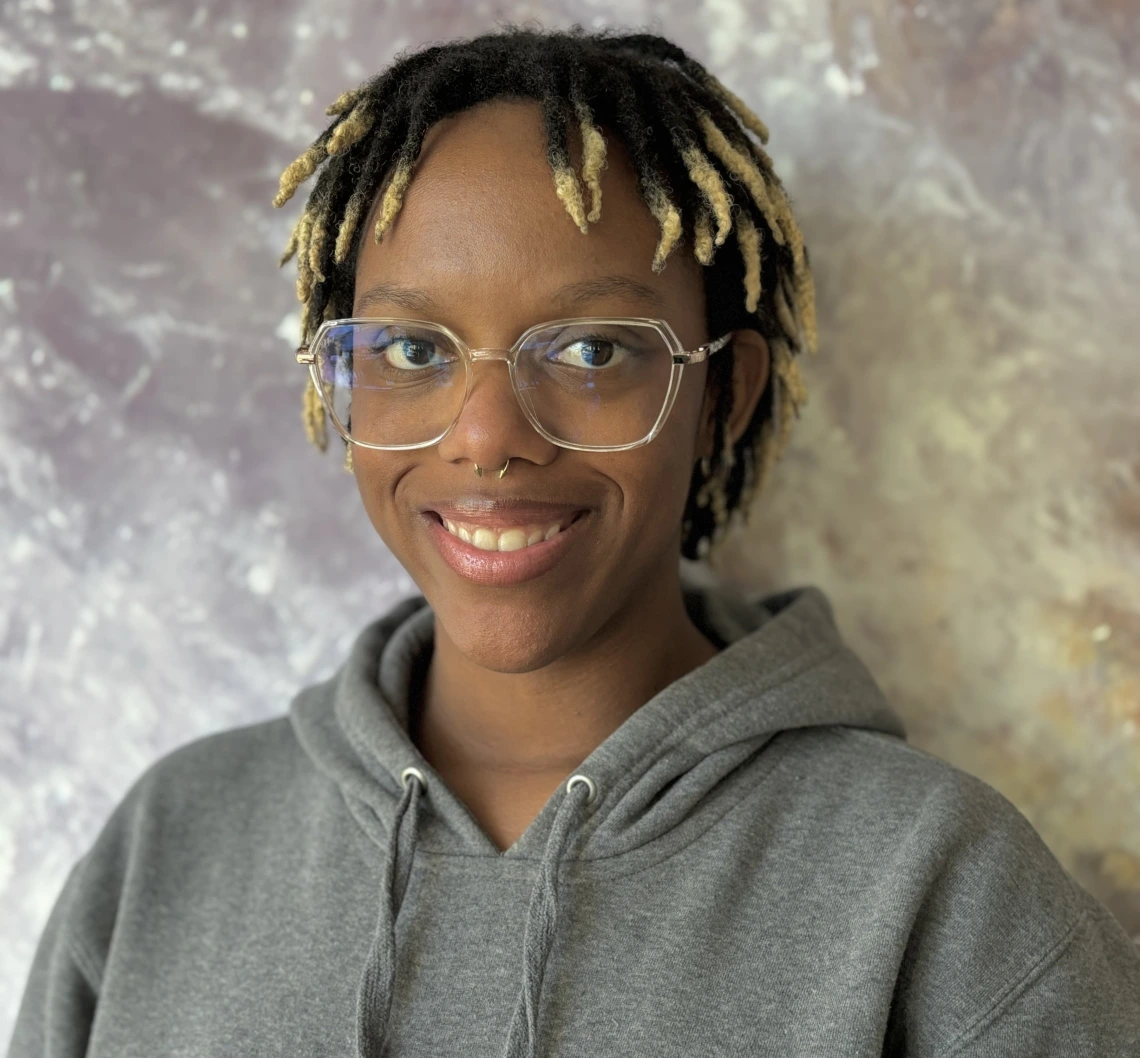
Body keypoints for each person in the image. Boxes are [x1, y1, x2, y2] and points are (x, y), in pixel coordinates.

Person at [8, 25, 1140, 1058]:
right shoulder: (170, 846)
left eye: (594, 351)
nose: (489, 437)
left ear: (724, 397)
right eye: (410, 352)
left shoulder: (944, 892)